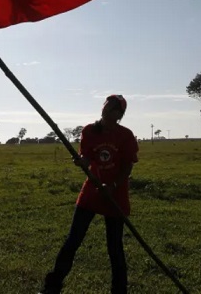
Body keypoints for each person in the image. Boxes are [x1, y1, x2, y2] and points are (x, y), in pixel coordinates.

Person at [41, 95, 139, 294]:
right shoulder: (89, 131)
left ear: (120, 114)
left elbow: (127, 168)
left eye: (114, 108)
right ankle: (52, 288)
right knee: (73, 239)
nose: (108, 109)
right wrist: (82, 162)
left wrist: (111, 185)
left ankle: (119, 291)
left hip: (115, 195)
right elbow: (87, 157)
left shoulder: (126, 135)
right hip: (92, 192)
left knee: (115, 247)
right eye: (107, 105)